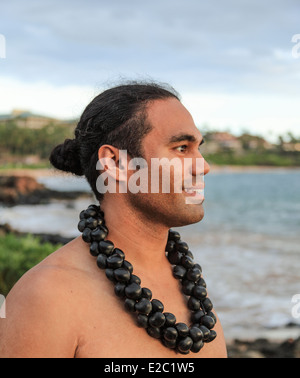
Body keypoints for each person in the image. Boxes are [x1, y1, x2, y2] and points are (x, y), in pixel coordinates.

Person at [0, 82, 227, 358]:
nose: (203, 166)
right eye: (181, 148)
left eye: (198, 149)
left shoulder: (195, 296)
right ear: (115, 163)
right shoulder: (48, 297)